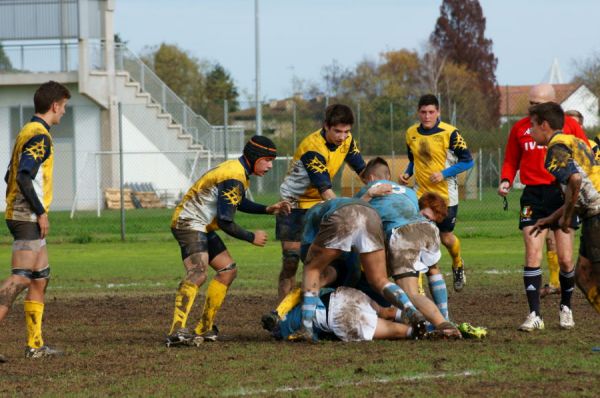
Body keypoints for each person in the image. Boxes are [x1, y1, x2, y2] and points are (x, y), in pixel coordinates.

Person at [165, 136, 290, 347]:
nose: (270, 165)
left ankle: (204, 326)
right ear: (254, 157)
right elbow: (225, 220)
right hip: (189, 223)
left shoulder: (236, 171)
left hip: (202, 226)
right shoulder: (234, 175)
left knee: (227, 270)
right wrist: (251, 237)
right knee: (198, 272)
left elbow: (235, 201)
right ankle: (176, 330)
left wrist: (266, 209)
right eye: (267, 160)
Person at [498, 84, 589, 332]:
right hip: (532, 196)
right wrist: (506, 180)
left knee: (566, 257)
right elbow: (510, 159)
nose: (532, 108)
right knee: (532, 254)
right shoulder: (519, 128)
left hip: (561, 193)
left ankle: (566, 308)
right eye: (530, 103)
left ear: (552, 104)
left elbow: (585, 155)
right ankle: (535, 314)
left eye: (537, 104)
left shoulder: (569, 127)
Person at [0, 81, 71, 359]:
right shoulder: (40, 136)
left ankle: (35, 345)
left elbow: (9, 175)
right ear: (55, 105)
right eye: (63, 106)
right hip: (26, 215)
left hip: (22, 213)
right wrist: (39, 211)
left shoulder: (26, 132)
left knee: (40, 278)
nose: (64, 112)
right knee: (20, 279)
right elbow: (22, 176)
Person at [293, 197, 428, 342]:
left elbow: (307, 252)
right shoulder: (335, 202)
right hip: (371, 216)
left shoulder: (312, 213)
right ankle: (410, 309)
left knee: (312, 268)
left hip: (343, 216)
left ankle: (306, 328)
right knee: (379, 280)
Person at [358, 157, 460, 336]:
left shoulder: (369, 189)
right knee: (433, 269)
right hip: (428, 229)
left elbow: (354, 214)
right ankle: (445, 317)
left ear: (371, 178)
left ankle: (443, 325)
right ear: (388, 176)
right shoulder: (409, 192)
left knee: (410, 293)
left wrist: (367, 195)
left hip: (403, 234)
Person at [276, 104, 366, 300]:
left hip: (318, 206)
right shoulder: (312, 148)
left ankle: (319, 306)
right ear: (326, 126)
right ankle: (281, 313)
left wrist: (381, 187)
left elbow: (363, 172)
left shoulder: (347, 141)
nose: (342, 136)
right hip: (293, 205)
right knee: (291, 261)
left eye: (346, 131)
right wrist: (346, 213)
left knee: (324, 261)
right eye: (337, 131)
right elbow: (326, 191)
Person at [528, 102, 600, 314]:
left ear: (544, 125)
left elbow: (575, 181)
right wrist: (551, 218)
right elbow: (579, 189)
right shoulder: (575, 141)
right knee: (583, 276)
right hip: (592, 215)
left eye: (532, 125)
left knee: (594, 275)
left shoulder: (555, 149)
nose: (530, 130)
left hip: (597, 216)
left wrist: (566, 218)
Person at [399, 94, 474, 292]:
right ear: (418, 112)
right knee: (418, 238)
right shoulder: (411, 133)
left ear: (438, 112)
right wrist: (407, 173)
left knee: (446, 238)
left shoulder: (450, 133)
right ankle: (420, 289)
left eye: (431, 112)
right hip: (420, 194)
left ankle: (458, 263)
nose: (427, 116)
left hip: (445, 195)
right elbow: (413, 159)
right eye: (423, 112)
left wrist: (444, 173)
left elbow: (468, 161)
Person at [271, 286, 419, 342]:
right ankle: (424, 318)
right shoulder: (291, 304)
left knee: (395, 330)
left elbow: (308, 335)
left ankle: (419, 331)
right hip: (346, 294)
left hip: (341, 317)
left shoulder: (286, 331)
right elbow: (299, 290)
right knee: (385, 312)